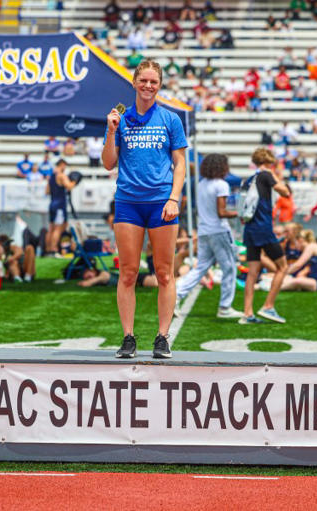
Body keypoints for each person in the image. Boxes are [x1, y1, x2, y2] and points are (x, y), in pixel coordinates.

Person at [101, 59, 187, 359]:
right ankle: (128, 337)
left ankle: (162, 337)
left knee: (164, 273)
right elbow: (109, 163)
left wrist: (174, 197)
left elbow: (180, 164)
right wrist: (111, 132)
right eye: (144, 80)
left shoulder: (170, 119)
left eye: (154, 81)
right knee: (128, 273)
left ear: (160, 84)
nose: (148, 86)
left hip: (161, 203)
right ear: (134, 83)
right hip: (128, 202)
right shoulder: (119, 119)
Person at [175, 153, 241, 319]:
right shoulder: (222, 185)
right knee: (230, 268)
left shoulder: (201, 183)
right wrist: (239, 214)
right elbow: (221, 212)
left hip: (204, 230)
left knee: (200, 267)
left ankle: (176, 294)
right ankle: (225, 307)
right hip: (218, 230)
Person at [240, 148, 291, 325]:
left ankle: (247, 313)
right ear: (269, 163)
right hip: (263, 228)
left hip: (250, 229)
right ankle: (268, 306)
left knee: (252, 273)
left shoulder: (249, 180)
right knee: (282, 267)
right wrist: (274, 175)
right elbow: (285, 192)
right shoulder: (266, 175)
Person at [45, 159, 77, 255]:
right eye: (65, 166)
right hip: (60, 205)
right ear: (62, 164)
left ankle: (47, 249)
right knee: (58, 229)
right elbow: (69, 186)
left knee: (51, 228)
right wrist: (75, 180)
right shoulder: (61, 175)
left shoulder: (51, 177)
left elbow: (47, 192)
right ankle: (53, 249)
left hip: (52, 203)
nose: (65, 168)